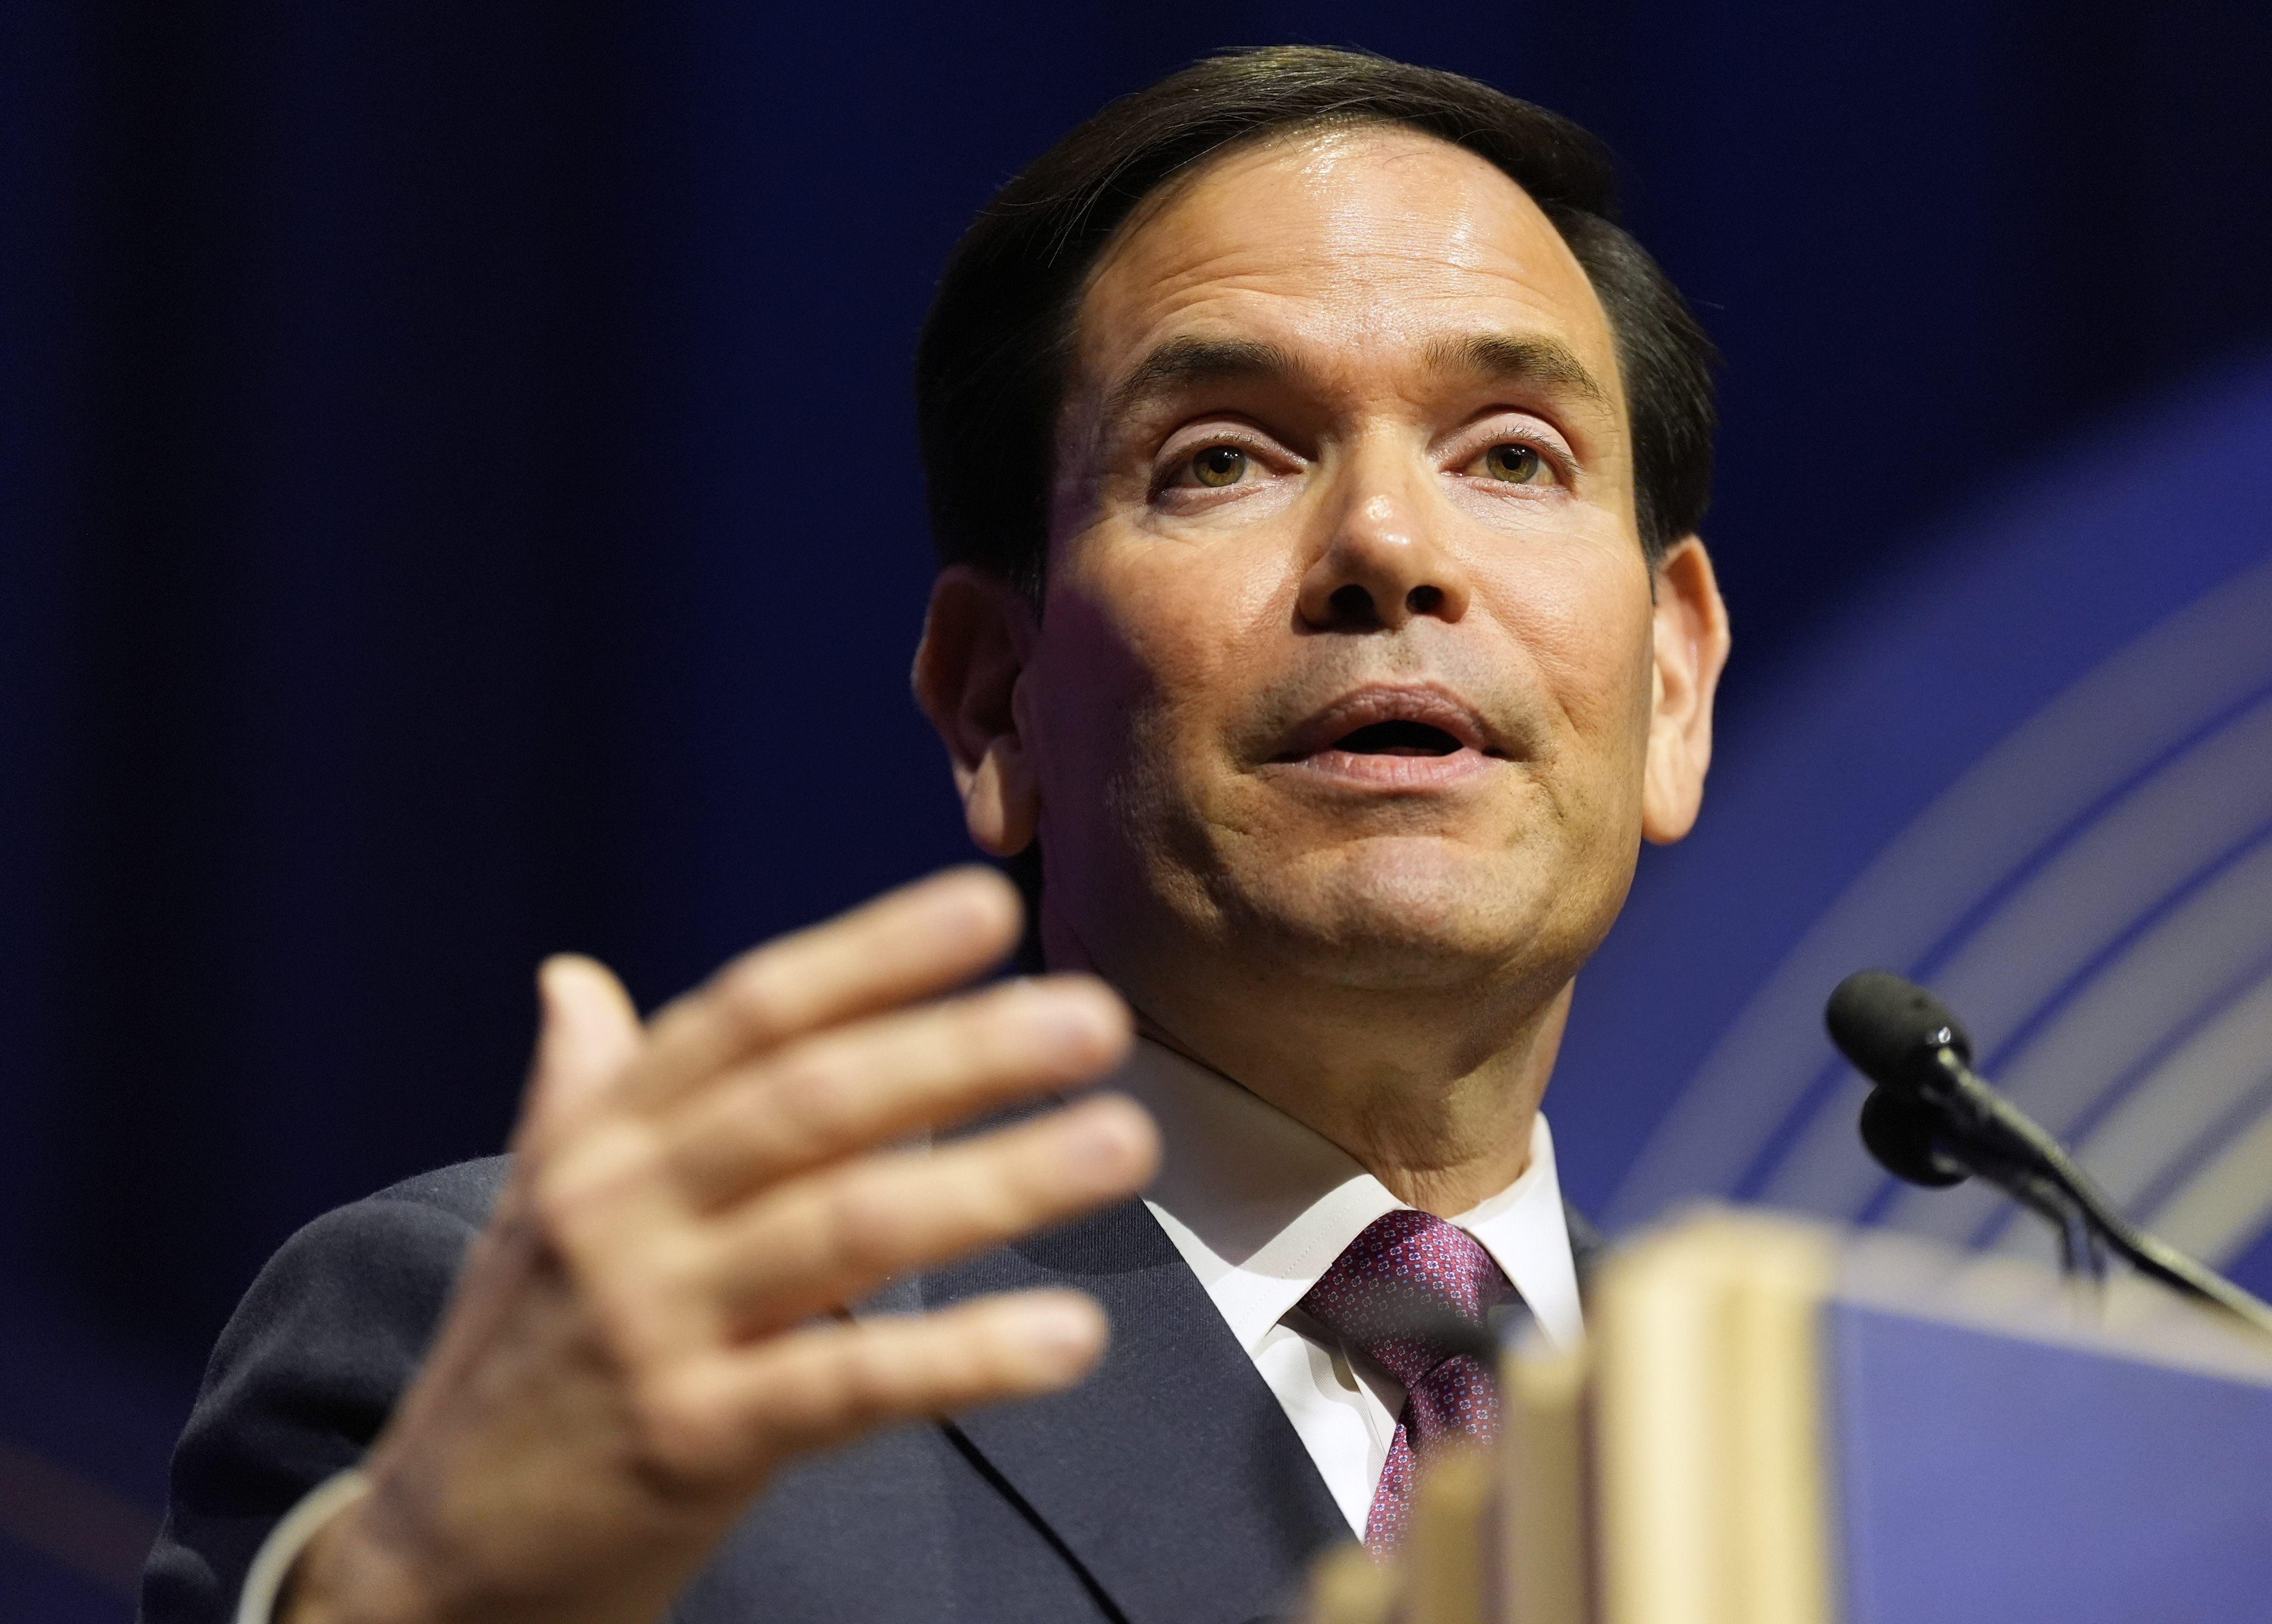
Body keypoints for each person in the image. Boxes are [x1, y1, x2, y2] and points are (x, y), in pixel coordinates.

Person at [140, 44, 1728, 1624]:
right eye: (1222, 458)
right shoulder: (583, 1366)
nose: (1388, 543)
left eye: (1513, 454)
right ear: (993, 703)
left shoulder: (1819, 1471)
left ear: (1671, 687)